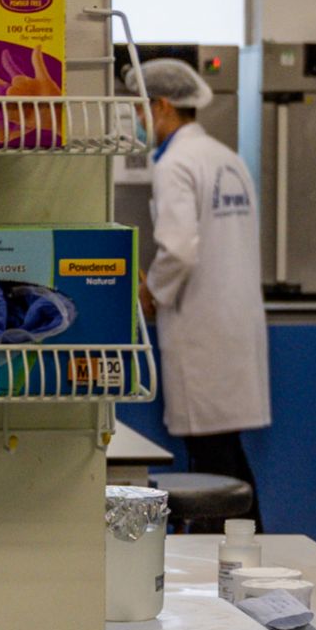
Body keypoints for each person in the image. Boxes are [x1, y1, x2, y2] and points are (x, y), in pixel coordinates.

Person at [124, 58, 270, 531]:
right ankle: (245, 554)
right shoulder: (225, 157)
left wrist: (151, 292)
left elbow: (180, 250)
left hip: (202, 328)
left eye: (141, 110)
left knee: (211, 465)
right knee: (224, 454)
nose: (141, 122)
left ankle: (224, 565)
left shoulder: (175, 163)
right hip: (234, 322)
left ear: (163, 105)